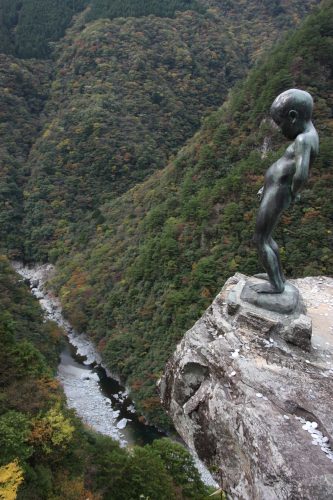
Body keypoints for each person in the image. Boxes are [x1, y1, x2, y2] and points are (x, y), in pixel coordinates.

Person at [252, 88, 319, 294]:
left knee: (260, 238)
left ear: (293, 117)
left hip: (279, 192)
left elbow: (301, 174)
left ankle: (276, 285)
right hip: (276, 189)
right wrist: (268, 185)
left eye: (280, 124)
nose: (280, 130)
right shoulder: (309, 135)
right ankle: (277, 276)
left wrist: (293, 192)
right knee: (268, 237)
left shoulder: (302, 140)